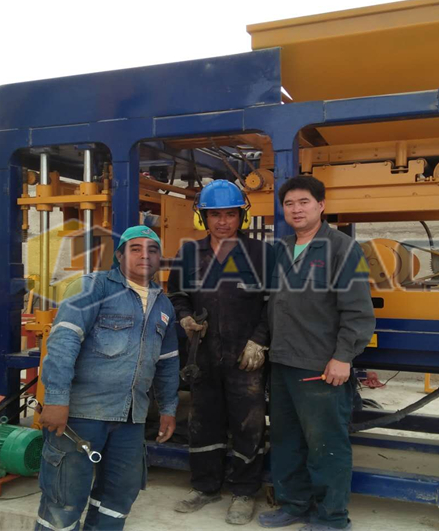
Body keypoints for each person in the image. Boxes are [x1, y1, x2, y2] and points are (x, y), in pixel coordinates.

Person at [35, 225, 179, 531]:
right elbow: (63, 343)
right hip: (82, 415)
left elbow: (167, 363)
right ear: (120, 256)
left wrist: (168, 408)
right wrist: (56, 399)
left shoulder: (164, 305)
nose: (145, 255)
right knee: (63, 502)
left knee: (117, 500)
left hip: (131, 419)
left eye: (152, 250)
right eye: (136, 249)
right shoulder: (92, 287)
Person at [258, 176, 375, 531]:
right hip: (282, 362)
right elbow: (270, 303)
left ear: (321, 205)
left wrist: (343, 357)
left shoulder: (343, 249)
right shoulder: (280, 249)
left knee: (326, 444)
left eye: (304, 202)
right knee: (286, 440)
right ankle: (293, 504)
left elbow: (358, 310)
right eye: (289, 203)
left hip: (320, 365)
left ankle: (332, 517)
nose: (296, 209)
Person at [167, 180, 273, 525]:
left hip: (246, 358)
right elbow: (177, 295)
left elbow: (274, 302)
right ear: (203, 217)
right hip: (203, 355)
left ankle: (244, 492)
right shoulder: (189, 254)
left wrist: (259, 340)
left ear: (242, 216)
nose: (223, 221)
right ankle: (205, 486)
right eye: (215, 215)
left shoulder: (261, 254)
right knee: (203, 421)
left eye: (230, 214)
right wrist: (184, 317)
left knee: (248, 424)